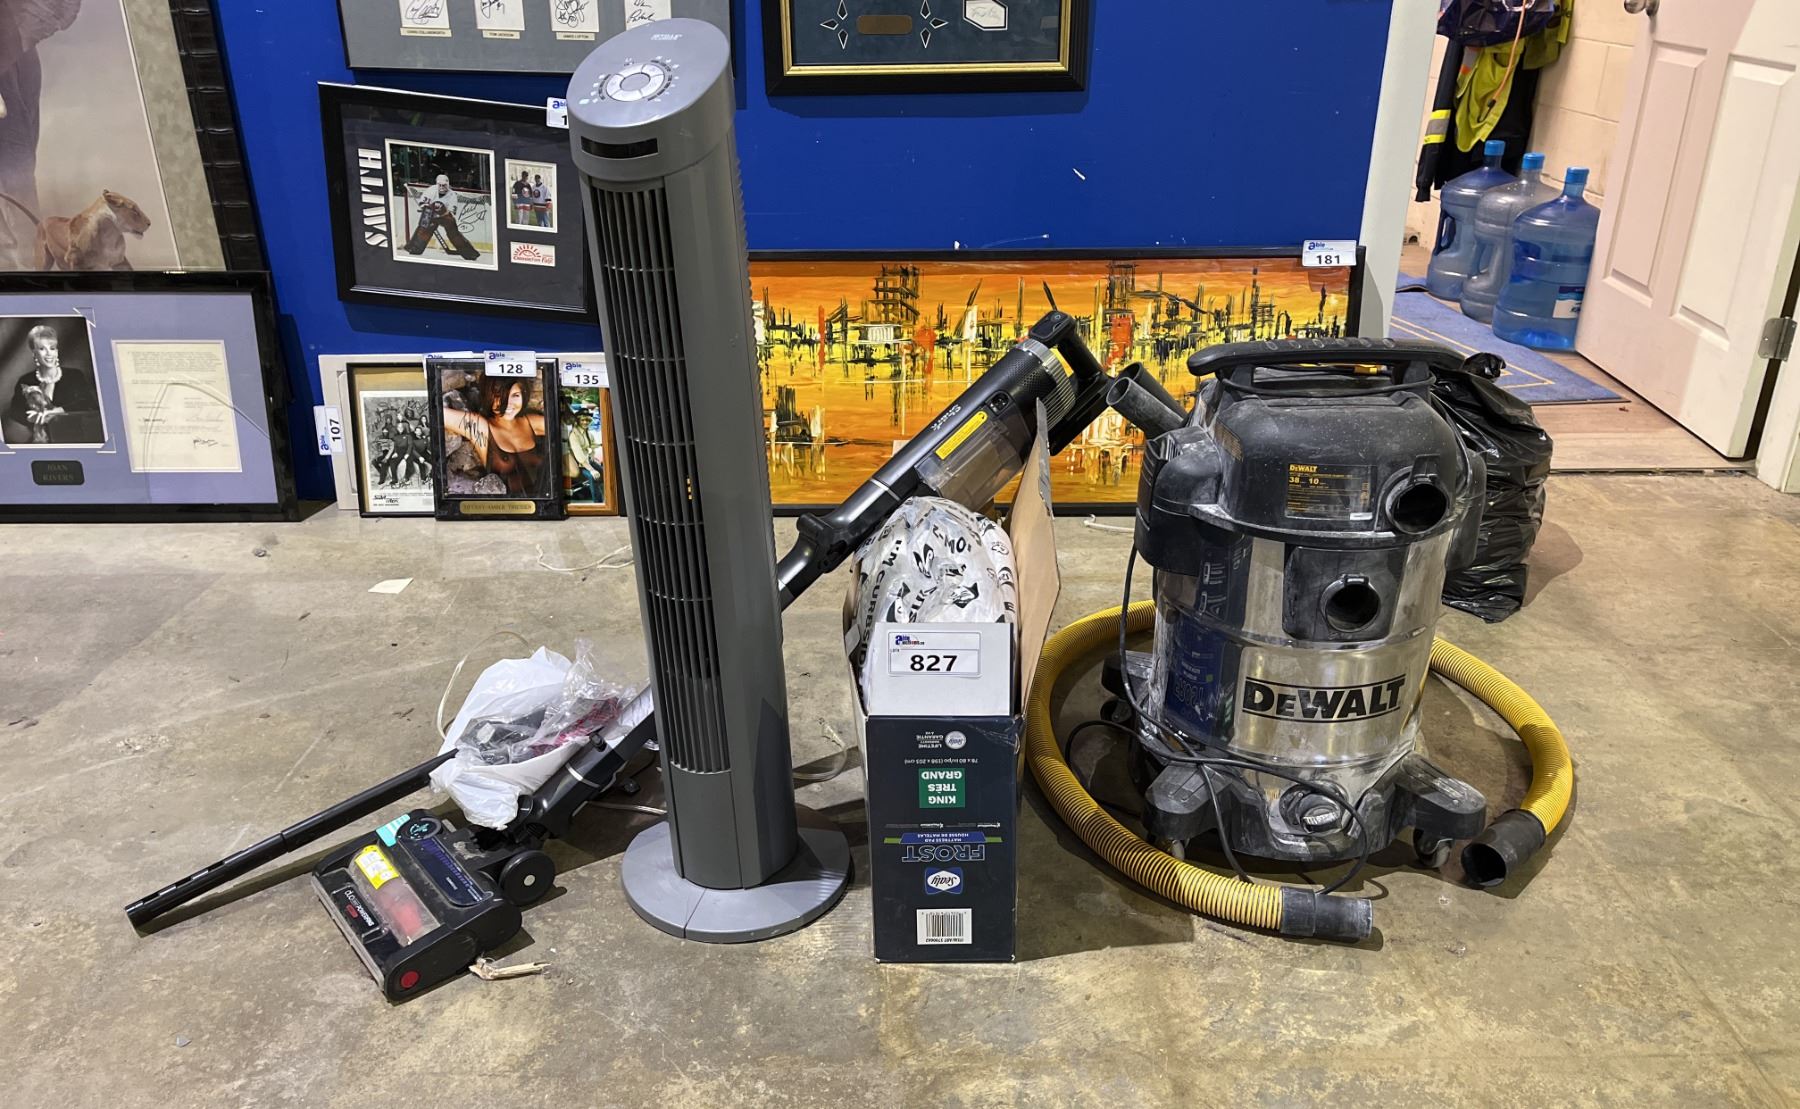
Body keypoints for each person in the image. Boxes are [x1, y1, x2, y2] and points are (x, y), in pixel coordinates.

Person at [442, 374, 547, 495]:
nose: (508, 403)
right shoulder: (481, 427)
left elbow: (562, 424)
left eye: (515, 395)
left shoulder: (532, 423)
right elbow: (437, 413)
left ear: (524, 395)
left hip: (546, 503)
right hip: (506, 506)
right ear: (488, 397)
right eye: (498, 396)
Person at [5, 323, 95, 445]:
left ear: (57, 351)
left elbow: (88, 403)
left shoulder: (74, 376)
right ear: (34, 352)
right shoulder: (25, 380)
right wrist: (30, 418)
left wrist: (57, 411)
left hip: (73, 440)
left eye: (52, 348)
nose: (49, 354)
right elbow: (15, 412)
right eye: (42, 349)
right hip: (38, 443)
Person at [403, 175, 482, 261]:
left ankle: (469, 253)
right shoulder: (431, 190)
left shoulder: (452, 195)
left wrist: (441, 213)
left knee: (454, 233)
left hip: (444, 215)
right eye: (440, 185)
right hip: (430, 213)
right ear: (437, 184)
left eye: (444, 185)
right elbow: (422, 203)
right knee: (423, 228)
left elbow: (451, 212)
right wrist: (430, 209)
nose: (442, 187)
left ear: (448, 184)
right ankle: (414, 248)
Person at [561, 395, 604, 503]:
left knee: (603, 472)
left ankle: (600, 496)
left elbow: (592, 444)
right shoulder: (574, 434)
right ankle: (598, 502)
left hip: (584, 457)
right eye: (583, 420)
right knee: (588, 475)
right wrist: (591, 469)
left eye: (587, 420)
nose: (585, 422)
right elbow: (578, 454)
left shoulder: (586, 431)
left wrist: (593, 452)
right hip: (576, 458)